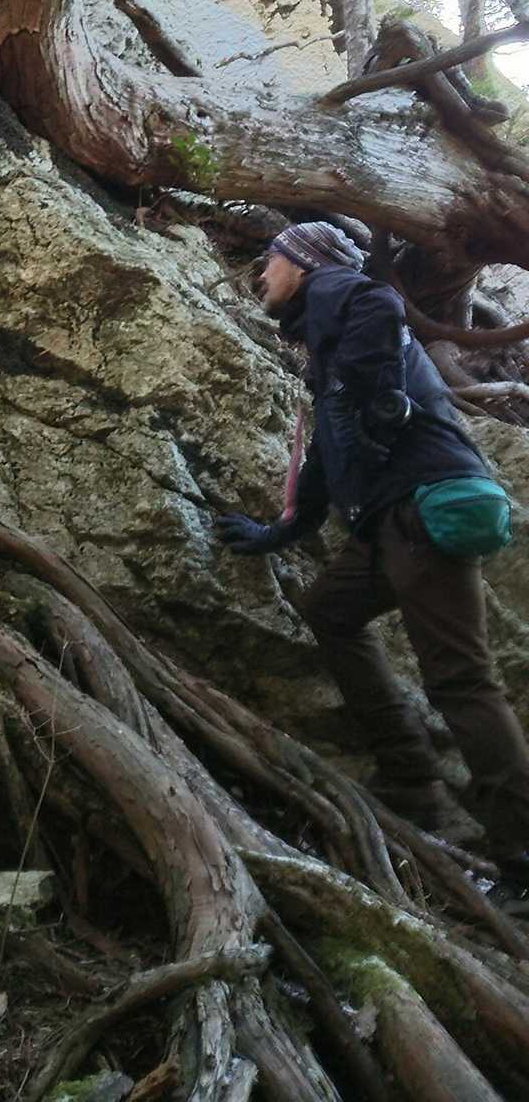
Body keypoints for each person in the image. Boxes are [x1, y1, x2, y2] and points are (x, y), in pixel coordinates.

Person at [216, 219, 529, 893]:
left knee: (462, 682)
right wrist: (277, 533)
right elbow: (325, 461)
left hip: (424, 508)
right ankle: (410, 776)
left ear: (304, 262)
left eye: (271, 258)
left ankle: (521, 857)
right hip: (392, 521)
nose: (261, 273)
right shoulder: (330, 346)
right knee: (330, 611)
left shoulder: (343, 296)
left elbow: (380, 303)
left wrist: (376, 392)